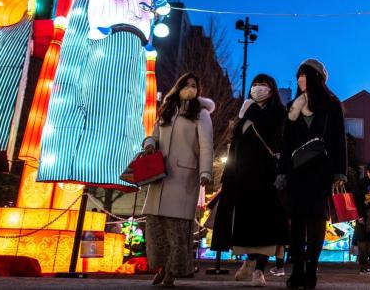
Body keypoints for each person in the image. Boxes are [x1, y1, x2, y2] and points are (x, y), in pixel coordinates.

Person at [211, 74, 289, 287]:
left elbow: (274, 136)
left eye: (263, 85)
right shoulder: (243, 116)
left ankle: (259, 270)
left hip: (268, 179)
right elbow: (235, 147)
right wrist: (227, 175)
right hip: (242, 178)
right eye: (255, 84)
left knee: (267, 225)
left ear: (272, 89)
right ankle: (250, 260)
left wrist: (252, 111)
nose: (258, 88)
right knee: (246, 224)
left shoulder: (278, 113)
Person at [276, 59, 347, 289]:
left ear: (316, 78)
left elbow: (339, 140)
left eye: (304, 75)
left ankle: (311, 268)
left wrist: (340, 172)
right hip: (296, 172)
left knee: (316, 220)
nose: (300, 79)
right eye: (298, 75)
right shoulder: (292, 107)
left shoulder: (332, 105)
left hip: (320, 171)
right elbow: (285, 143)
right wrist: (282, 171)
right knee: (296, 222)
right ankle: (296, 270)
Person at [142, 73, 214, 287]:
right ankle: (162, 267)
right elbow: (153, 135)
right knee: (156, 228)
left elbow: (207, 144)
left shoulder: (201, 114)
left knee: (177, 230)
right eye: (187, 85)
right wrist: (148, 144)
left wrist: (206, 172)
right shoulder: (168, 109)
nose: (191, 89)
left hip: (184, 177)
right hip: (159, 174)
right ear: (178, 86)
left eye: (194, 85)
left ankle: (172, 272)